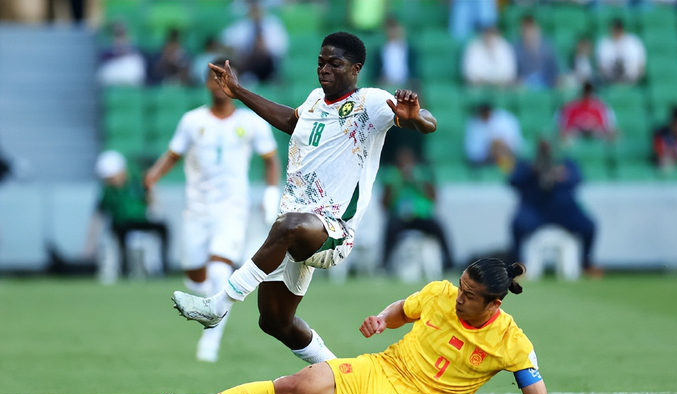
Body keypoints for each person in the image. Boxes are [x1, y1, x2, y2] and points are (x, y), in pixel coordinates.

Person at [171, 31, 437, 366]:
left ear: (355, 69)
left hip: (332, 231)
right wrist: (238, 92)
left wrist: (416, 118)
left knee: (289, 225)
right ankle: (342, 377)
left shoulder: (370, 102)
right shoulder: (314, 100)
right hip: (296, 227)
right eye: (321, 62)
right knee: (274, 321)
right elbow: (290, 120)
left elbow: (429, 122)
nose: (324, 69)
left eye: (335, 64)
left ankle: (218, 305)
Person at [153, 258, 576, 394]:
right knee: (291, 387)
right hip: (378, 372)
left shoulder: (512, 342)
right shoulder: (440, 294)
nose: (459, 297)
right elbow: (403, 309)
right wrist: (382, 319)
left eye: (469, 295)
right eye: (461, 286)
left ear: (494, 304)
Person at [144, 57, 282, 363]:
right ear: (206, 84)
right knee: (195, 276)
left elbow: (271, 159)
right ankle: (211, 301)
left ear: (235, 82)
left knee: (220, 269)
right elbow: (173, 154)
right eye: (214, 79)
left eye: (225, 78)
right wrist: (153, 176)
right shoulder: (192, 121)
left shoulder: (251, 122)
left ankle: (210, 341)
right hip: (196, 210)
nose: (219, 85)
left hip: (232, 208)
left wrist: (271, 195)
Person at [509, 139, 602, 278]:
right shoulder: (527, 164)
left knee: (589, 226)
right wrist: (532, 172)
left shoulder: (566, 163)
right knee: (518, 225)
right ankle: (517, 264)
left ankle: (586, 263)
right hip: (535, 209)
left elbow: (578, 180)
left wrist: (562, 175)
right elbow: (512, 181)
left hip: (564, 211)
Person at [84, 150, 169, 279]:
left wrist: (151, 194)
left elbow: (152, 202)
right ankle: (125, 269)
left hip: (141, 221)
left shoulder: (137, 181)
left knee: (163, 228)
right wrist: (89, 246)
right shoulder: (108, 192)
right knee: (120, 232)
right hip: (122, 225)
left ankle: (163, 267)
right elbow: (100, 215)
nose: (110, 181)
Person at [380, 146, 453, 272]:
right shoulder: (393, 175)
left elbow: (434, 197)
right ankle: (384, 264)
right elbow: (385, 202)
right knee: (390, 229)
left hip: (421, 216)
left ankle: (449, 262)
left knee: (438, 228)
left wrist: (417, 182)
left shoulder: (422, 174)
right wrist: (398, 183)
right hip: (401, 217)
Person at [220, 0, 288, 84]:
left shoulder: (274, 24)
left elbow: (280, 49)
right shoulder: (240, 26)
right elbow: (225, 43)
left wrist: (262, 48)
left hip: (267, 64)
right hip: (245, 63)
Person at [464, 102, 523, 172]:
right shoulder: (473, 123)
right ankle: (507, 167)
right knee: (496, 145)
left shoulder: (504, 119)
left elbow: (514, 141)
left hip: (506, 152)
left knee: (498, 144)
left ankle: (507, 167)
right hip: (483, 158)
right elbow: (473, 151)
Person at [370, 16, 420, 92]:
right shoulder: (378, 52)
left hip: (407, 87)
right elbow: (374, 75)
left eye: (395, 28)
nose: (393, 32)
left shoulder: (411, 51)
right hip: (385, 87)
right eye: (390, 29)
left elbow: (415, 73)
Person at [514, 15, 559, 90]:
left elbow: (555, 70)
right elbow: (515, 73)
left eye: (531, 29)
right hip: (524, 85)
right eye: (526, 30)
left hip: (547, 83)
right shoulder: (516, 50)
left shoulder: (547, 48)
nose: (529, 33)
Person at [596, 18, 646, 84]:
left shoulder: (633, 42)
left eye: (618, 29)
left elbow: (641, 66)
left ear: (622, 29)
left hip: (631, 80)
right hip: (609, 80)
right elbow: (600, 67)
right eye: (614, 30)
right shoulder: (604, 43)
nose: (616, 32)